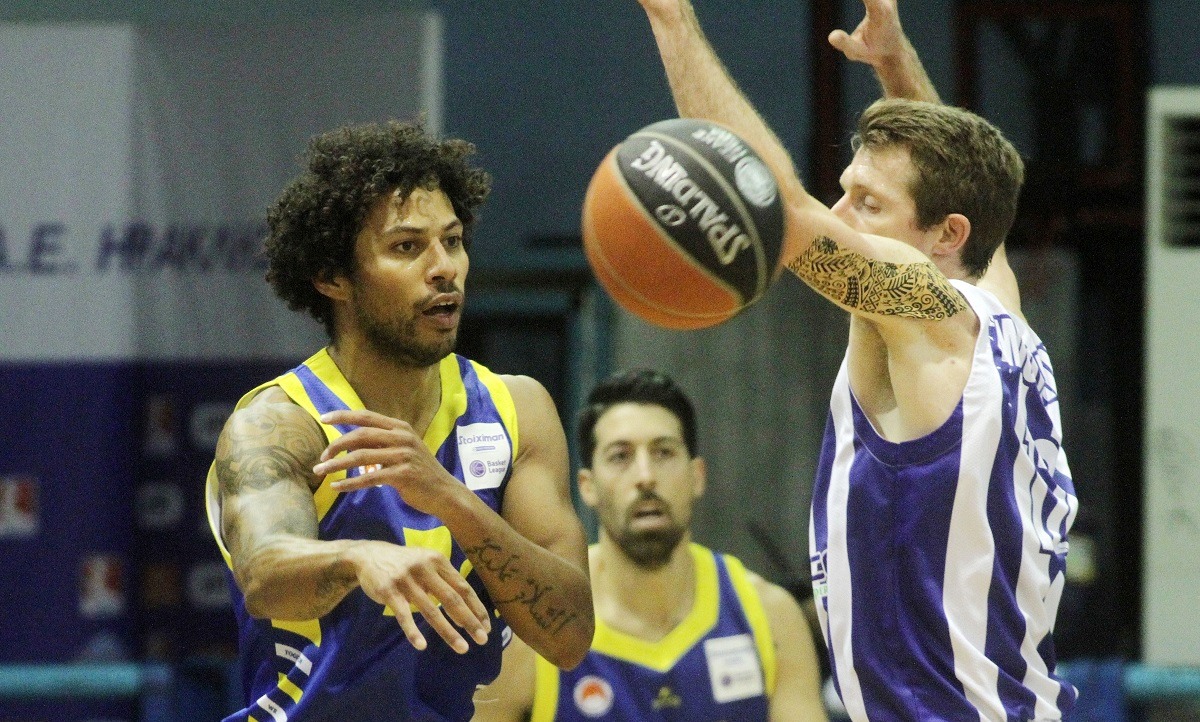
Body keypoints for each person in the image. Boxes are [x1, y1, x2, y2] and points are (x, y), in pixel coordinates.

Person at [631, 1, 1078, 720]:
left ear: (944, 236)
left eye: (866, 202)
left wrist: (672, 21)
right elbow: (958, 185)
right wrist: (896, 65)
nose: (838, 216)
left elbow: (772, 205)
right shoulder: (998, 309)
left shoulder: (928, 311)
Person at [204, 120, 594, 722]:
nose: (444, 268)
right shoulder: (281, 423)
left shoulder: (517, 409)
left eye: (453, 241)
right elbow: (264, 574)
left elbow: (569, 635)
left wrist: (448, 497)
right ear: (333, 277)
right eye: (408, 247)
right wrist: (360, 558)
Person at [471, 368, 829, 721]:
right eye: (620, 456)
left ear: (697, 476)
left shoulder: (770, 615)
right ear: (587, 486)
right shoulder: (534, 627)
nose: (645, 477)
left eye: (664, 453)